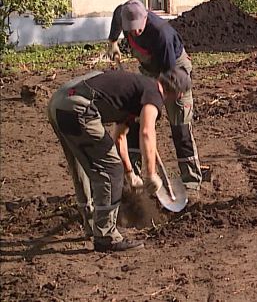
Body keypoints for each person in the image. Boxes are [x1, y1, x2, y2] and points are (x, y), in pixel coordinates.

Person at [47, 68, 191, 252]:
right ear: (178, 93)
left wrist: (131, 174)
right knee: (112, 169)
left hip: (59, 103)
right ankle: (106, 236)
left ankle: (91, 224)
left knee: (82, 165)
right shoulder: (154, 93)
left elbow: (119, 138)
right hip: (78, 107)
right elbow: (147, 132)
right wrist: (151, 173)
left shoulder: (136, 90)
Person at [107, 0, 203, 190]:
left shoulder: (161, 34)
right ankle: (133, 178)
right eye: (130, 29)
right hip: (149, 69)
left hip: (174, 71)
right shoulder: (123, 14)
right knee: (134, 119)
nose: (134, 32)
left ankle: (191, 182)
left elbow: (167, 79)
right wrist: (112, 42)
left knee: (180, 124)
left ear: (145, 18)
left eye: (138, 28)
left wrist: (153, 102)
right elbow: (117, 18)